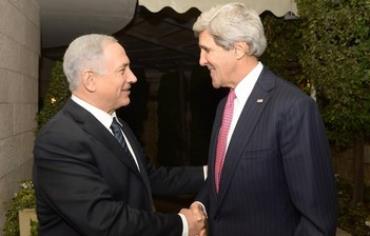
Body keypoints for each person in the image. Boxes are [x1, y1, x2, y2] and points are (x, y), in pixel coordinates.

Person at [33, 34, 207, 236]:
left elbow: (148, 177)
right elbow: (105, 221)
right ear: (90, 80)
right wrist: (183, 225)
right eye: (122, 70)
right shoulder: (59, 138)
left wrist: (209, 172)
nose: (133, 77)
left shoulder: (118, 124)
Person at [192, 2, 336, 235]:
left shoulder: (293, 108)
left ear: (238, 49)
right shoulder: (224, 106)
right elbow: (224, 177)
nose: (201, 60)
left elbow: (317, 219)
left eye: (207, 50)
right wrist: (201, 204)